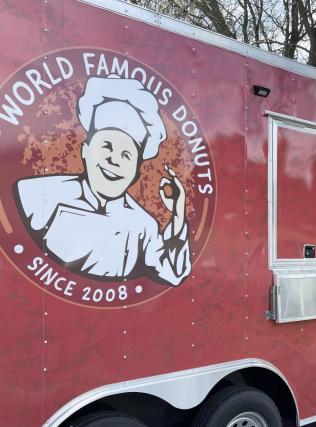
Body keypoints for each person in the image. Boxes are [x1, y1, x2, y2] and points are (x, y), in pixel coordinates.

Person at [15, 75, 191, 286]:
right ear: (86, 151)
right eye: (106, 146)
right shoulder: (37, 194)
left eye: (126, 155)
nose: (114, 160)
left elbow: (173, 273)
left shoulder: (144, 225)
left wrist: (178, 214)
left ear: (136, 171)